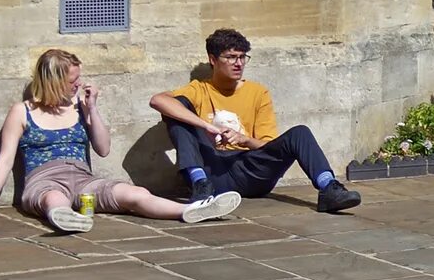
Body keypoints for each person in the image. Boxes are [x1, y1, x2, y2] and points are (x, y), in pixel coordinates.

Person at [0, 49, 241, 232]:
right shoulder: (23, 111)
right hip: (43, 181)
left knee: (133, 193)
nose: (78, 84)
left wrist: (92, 109)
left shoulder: (79, 107)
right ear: (53, 82)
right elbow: (5, 158)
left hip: (82, 179)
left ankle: (191, 210)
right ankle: (62, 218)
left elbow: (103, 149)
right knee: (53, 198)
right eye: (72, 80)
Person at [147, 29, 361, 213]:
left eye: (242, 57)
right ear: (213, 60)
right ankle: (200, 186)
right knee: (177, 114)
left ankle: (329, 188)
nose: (238, 63)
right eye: (231, 57)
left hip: (250, 170)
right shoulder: (199, 89)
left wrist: (244, 140)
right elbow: (158, 101)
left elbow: (268, 146)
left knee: (300, 133)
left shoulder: (258, 93)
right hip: (213, 170)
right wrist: (206, 127)